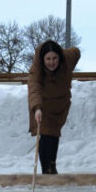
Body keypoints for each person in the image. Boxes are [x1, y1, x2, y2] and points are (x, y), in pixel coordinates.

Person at [27, 39, 81, 175]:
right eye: (48, 59)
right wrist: (37, 108)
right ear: (43, 59)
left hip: (60, 105)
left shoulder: (67, 59)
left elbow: (76, 52)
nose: (52, 62)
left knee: (54, 134)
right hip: (43, 105)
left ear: (60, 56)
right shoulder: (37, 68)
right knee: (45, 135)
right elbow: (34, 88)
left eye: (55, 58)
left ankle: (52, 165)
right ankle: (47, 170)